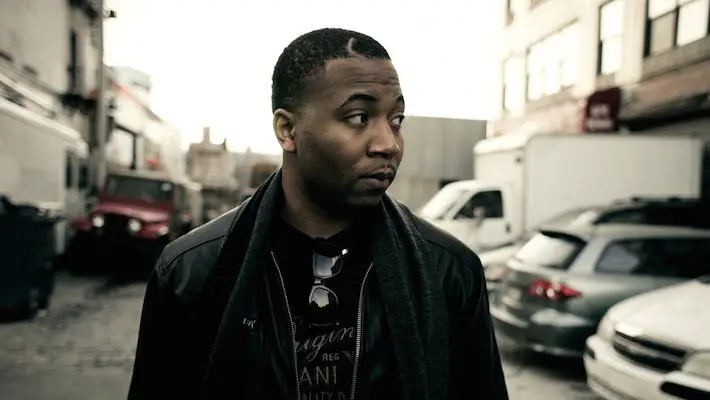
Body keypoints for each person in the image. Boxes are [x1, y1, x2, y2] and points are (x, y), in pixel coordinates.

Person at [128, 27, 508, 400]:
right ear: (287, 129)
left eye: (396, 119)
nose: (389, 144)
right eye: (358, 117)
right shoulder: (190, 272)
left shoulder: (450, 272)